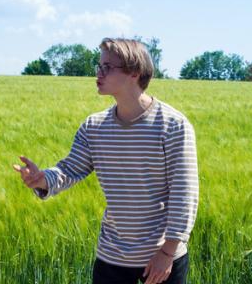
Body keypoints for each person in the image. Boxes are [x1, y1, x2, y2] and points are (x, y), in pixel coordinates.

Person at [13, 37, 199, 284]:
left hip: (161, 257)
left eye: (107, 67)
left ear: (134, 72)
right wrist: (43, 180)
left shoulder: (173, 125)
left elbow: (184, 193)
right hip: (112, 258)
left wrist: (167, 252)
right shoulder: (94, 126)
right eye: (99, 66)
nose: (98, 73)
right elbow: (70, 169)